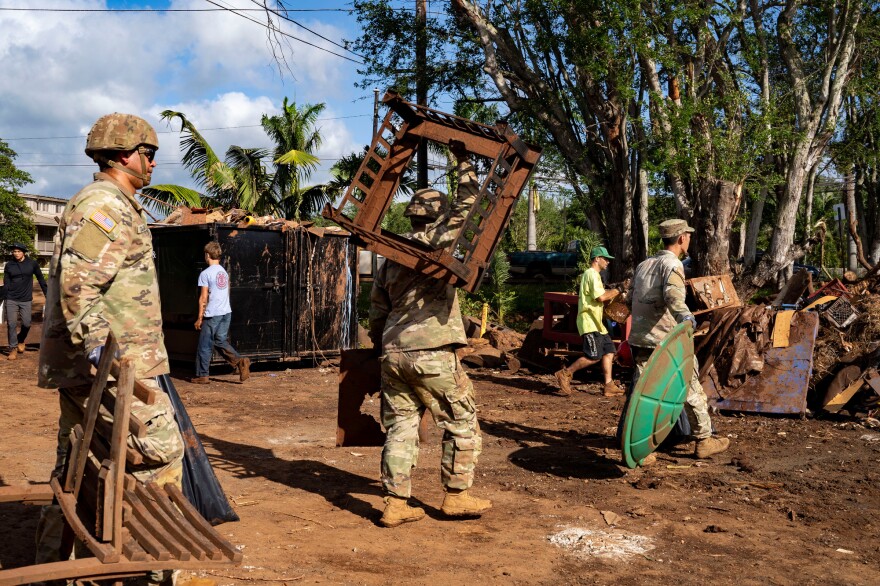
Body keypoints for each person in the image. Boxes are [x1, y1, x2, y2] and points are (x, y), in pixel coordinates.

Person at [35, 113, 184, 585]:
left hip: (100, 366)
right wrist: (105, 355)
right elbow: (80, 285)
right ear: (124, 154)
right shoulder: (106, 207)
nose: (154, 162)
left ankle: (52, 566)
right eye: (149, 153)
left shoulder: (115, 204)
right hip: (116, 369)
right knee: (160, 454)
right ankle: (162, 570)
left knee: (78, 463)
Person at [369, 146, 491, 528]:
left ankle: (395, 502)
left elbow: (377, 311)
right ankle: (456, 496)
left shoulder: (392, 254)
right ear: (438, 215)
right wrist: (463, 159)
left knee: (401, 426)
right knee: (462, 420)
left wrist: (382, 347)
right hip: (432, 351)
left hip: (393, 352)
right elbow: (470, 201)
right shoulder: (442, 241)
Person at [629, 218, 730, 459]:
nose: (690, 240)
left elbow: (629, 298)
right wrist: (686, 319)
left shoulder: (645, 265)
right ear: (682, 238)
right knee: (689, 387)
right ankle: (704, 439)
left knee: (646, 395)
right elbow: (673, 296)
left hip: (640, 339)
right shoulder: (672, 264)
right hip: (666, 342)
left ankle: (643, 449)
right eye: (689, 236)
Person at [554, 245, 624, 397]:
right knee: (594, 355)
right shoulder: (591, 274)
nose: (608, 262)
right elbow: (601, 297)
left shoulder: (595, 276)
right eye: (605, 259)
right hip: (589, 322)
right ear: (597, 259)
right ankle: (565, 373)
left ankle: (608, 385)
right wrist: (619, 289)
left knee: (609, 351)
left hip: (597, 324)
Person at [191, 241, 250, 384]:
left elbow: (203, 298)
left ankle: (202, 375)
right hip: (226, 312)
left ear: (207, 255)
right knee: (219, 341)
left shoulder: (205, 274)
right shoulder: (223, 272)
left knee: (204, 344)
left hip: (213, 314)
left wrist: (200, 317)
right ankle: (239, 361)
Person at [4, 242, 47, 359]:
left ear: (23, 252)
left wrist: (47, 294)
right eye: (14, 251)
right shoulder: (9, 265)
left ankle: (21, 339)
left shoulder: (32, 264)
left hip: (26, 299)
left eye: (18, 251)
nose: (16, 254)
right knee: (11, 324)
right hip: (11, 298)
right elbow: (6, 283)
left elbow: (41, 279)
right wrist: (3, 296)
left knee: (27, 324)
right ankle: (12, 349)